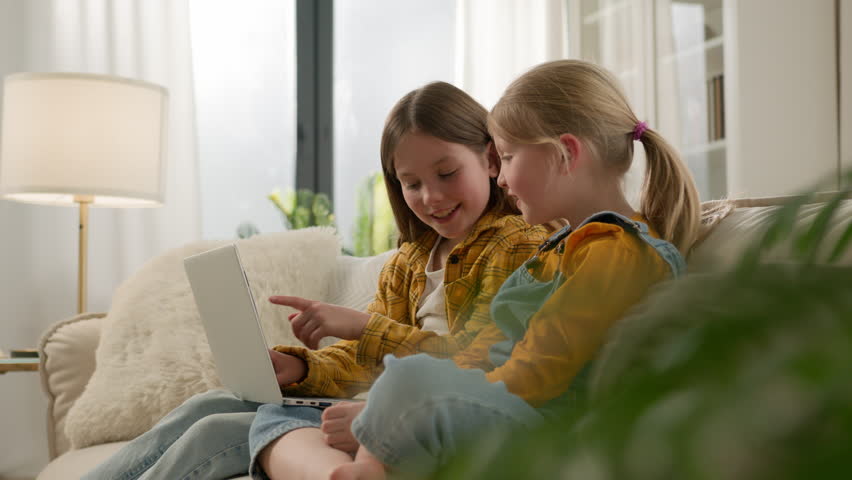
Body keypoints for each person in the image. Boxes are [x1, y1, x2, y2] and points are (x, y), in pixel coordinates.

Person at [81, 81, 546, 480]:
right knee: (208, 403)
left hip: (433, 413)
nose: (432, 197)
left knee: (213, 430)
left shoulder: (515, 244)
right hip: (379, 402)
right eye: (411, 183)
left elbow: (478, 363)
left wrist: (363, 328)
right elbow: (366, 361)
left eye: (446, 173)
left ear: (490, 159)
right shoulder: (412, 259)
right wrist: (303, 369)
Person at [323, 59, 702, 480]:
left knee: (411, 381)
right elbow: (493, 348)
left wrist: (445, 394)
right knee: (407, 382)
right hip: (514, 405)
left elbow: (540, 368)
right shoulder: (563, 247)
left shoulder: (617, 252)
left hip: (550, 430)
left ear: (565, 155)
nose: (500, 178)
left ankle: (370, 463)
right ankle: (375, 461)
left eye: (506, 157)